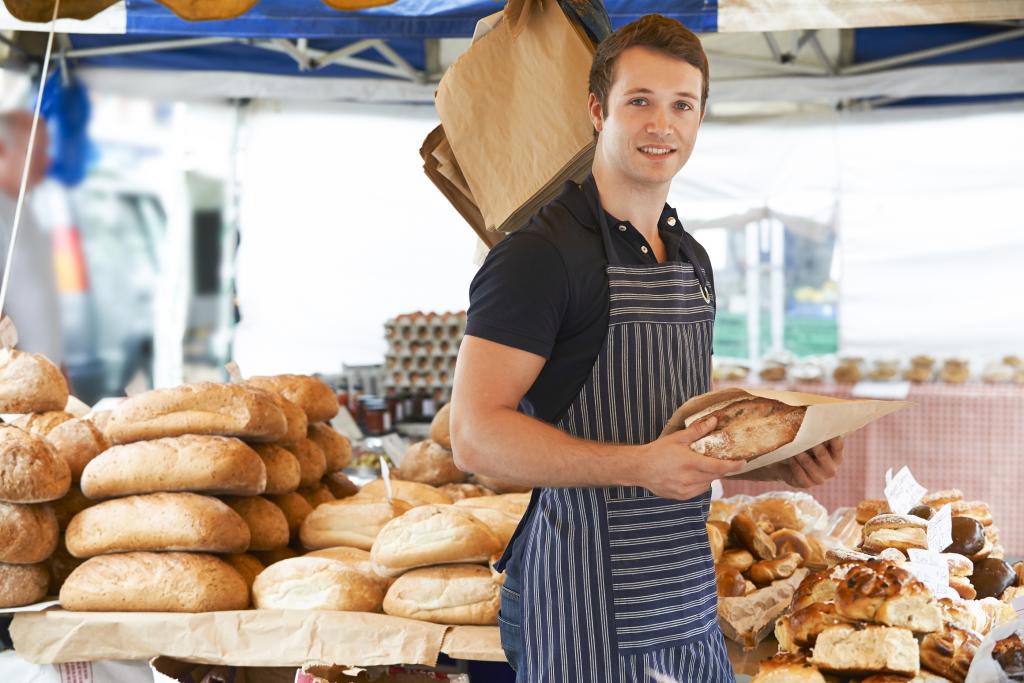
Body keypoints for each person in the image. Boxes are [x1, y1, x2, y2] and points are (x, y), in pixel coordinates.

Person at [449, 15, 844, 682]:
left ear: (699, 118)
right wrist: (639, 465)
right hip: (579, 594)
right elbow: (474, 435)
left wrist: (772, 459)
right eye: (640, 102)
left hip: (686, 592)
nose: (662, 125)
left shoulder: (692, 259)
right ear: (597, 110)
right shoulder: (538, 256)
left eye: (681, 105)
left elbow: (676, 436)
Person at [0, 109, 61, 364]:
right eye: (35, 152)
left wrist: (60, 373)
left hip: (44, 380)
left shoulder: (24, 209)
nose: (46, 162)